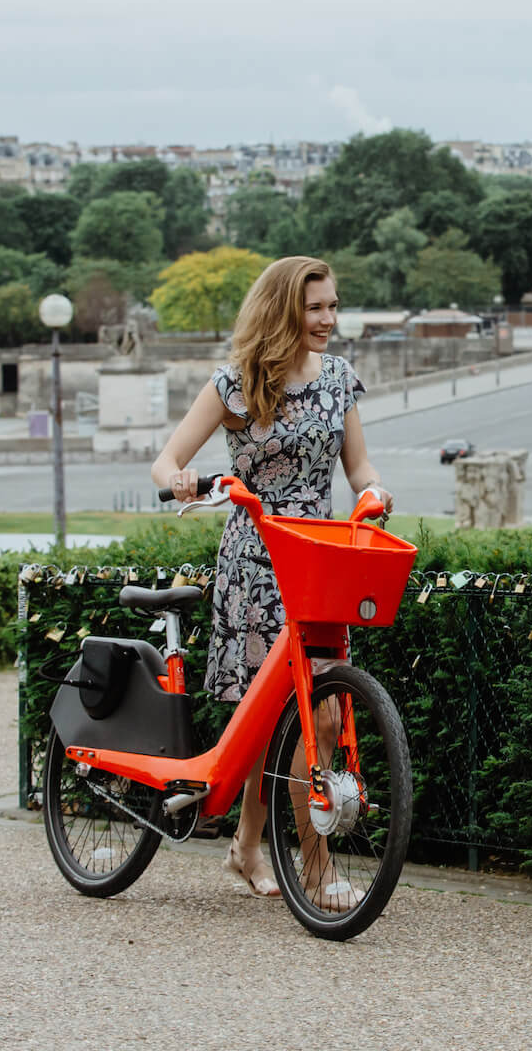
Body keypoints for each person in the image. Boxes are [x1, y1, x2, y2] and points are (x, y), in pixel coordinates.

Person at [149, 255, 391, 910]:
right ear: (284, 309)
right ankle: (307, 870)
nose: (328, 319)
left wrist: (372, 491)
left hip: (319, 559)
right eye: (316, 307)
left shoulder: (340, 378)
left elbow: (359, 464)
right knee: (273, 717)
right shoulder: (237, 383)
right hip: (256, 562)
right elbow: (166, 459)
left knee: (317, 709)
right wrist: (180, 480)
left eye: (333, 306)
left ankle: (248, 847)